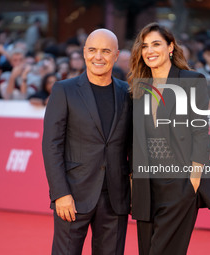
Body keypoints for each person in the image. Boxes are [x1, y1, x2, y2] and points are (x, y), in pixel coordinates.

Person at [128, 22, 210, 255]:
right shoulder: (137, 89)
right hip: (146, 186)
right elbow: (133, 141)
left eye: (156, 44)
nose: (149, 51)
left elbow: (200, 132)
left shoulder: (191, 81)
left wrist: (192, 180)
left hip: (180, 183)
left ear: (170, 47)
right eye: (144, 46)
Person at [42, 29, 132, 255]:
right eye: (92, 50)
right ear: (84, 53)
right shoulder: (64, 90)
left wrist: (133, 188)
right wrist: (60, 193)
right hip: (73, 195)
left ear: (115, 55)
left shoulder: (128, 93)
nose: (98, 57)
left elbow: (132, 145)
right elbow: (51, 145)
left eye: (105, 51)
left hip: (116, 197)